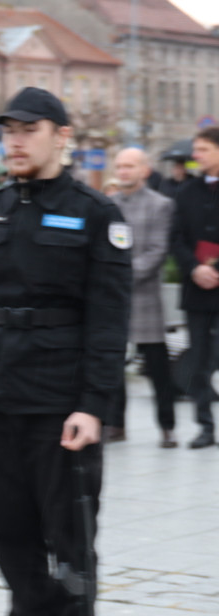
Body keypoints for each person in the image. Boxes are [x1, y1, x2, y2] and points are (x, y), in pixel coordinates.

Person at [0, 87, 131, 616]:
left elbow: (111, 321)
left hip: (61, 406)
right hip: (0, 398)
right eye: (8, 130)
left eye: (29, 129)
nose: (15, 140)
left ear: (62, 135)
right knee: (11, 534)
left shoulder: (96, 213)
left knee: (69, 536)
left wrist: (93, 405)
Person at [103, 148, 177, 448]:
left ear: (144, 170)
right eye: (119, 166)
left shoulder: (161, 205)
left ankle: (167, 427)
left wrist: (121, 276)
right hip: (113, 300)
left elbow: (158, 251)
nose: (123, 172)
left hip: (146, 300)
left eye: (130, 166)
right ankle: (116, 424)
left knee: (158, 368)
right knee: (112, 366)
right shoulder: (107, 205)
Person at [171, 126, 219, 449]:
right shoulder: (186, 192)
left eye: (201, 149)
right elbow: (176, 238)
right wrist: (194, 268)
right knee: (199, 359)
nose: (195, 155)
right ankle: (205, 425)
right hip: (197, 289)